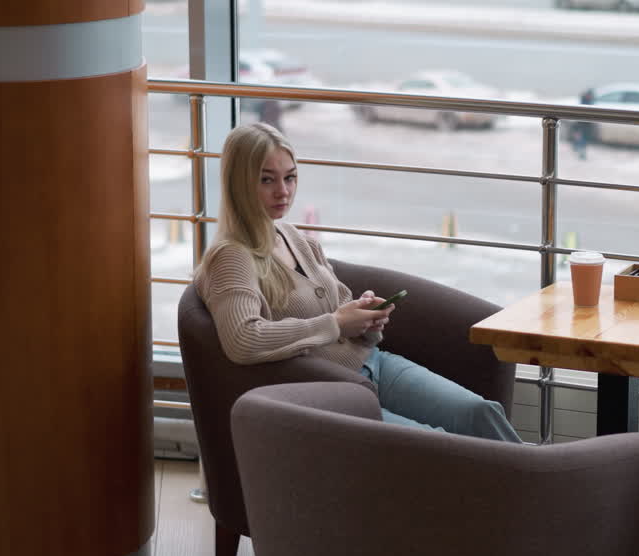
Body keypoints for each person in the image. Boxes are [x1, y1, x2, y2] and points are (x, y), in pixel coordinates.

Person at [194, 122, 520, 442]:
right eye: (267, 180)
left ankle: (533, 490)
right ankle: (516, 490)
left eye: (290, 177)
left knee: (481, 412)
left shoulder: (293, 237)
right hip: (331, 390)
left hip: (372, 363)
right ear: (240, 184)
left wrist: (365, 321)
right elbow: (242, 339)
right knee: (437, 443)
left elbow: (340, 315)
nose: (284, 191)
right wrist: (335, 323)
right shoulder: (232, 258)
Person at [570, 88, 596, 160]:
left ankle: (580, 150)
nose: (591, 96)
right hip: (582, 123)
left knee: (583, 138)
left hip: (586, 123)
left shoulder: (589, 101)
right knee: (581, 137)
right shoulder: (585, 101)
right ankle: (580, 151)